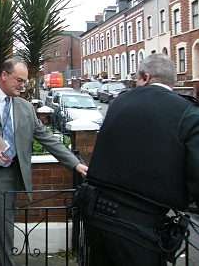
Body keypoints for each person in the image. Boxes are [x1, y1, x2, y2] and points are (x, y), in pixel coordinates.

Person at [0, 58, 88, 266]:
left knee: (6, 236)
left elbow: (48, 139)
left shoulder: (26, 108)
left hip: (7, 177)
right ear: (4, 76)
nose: (23, 85)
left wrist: (75, 163)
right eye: (19, 80)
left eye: (25, 81)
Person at [83, 54, 199, 266]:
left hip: (96, 215)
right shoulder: (188, 114)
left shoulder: (119, 102)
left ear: (145, 77)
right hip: (140, 226)